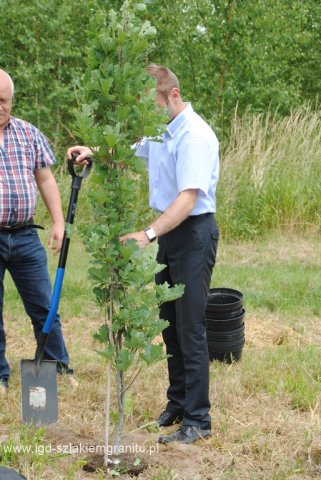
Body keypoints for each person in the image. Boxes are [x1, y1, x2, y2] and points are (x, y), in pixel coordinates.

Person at [67, 64, 219, 444]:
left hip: (192, 234)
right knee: (170, 324)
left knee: (190, 328)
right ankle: (177, 405)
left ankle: (198, 421)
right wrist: (93, 151)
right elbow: (130, 150)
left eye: (153, 106)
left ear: (174, 95)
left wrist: (148, 234)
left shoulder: (195, 136)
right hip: (170, 236)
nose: (149, 117)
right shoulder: (162, 131)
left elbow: (188, 198)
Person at [0, 69, 72, 395]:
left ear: (12, 100)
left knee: (45, 305)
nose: (0, 106)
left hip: (26, 234)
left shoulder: (28, 133)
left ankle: (57, 366)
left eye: (4, 100)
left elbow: (45, 179)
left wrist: (58, 222)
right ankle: (0, 376)